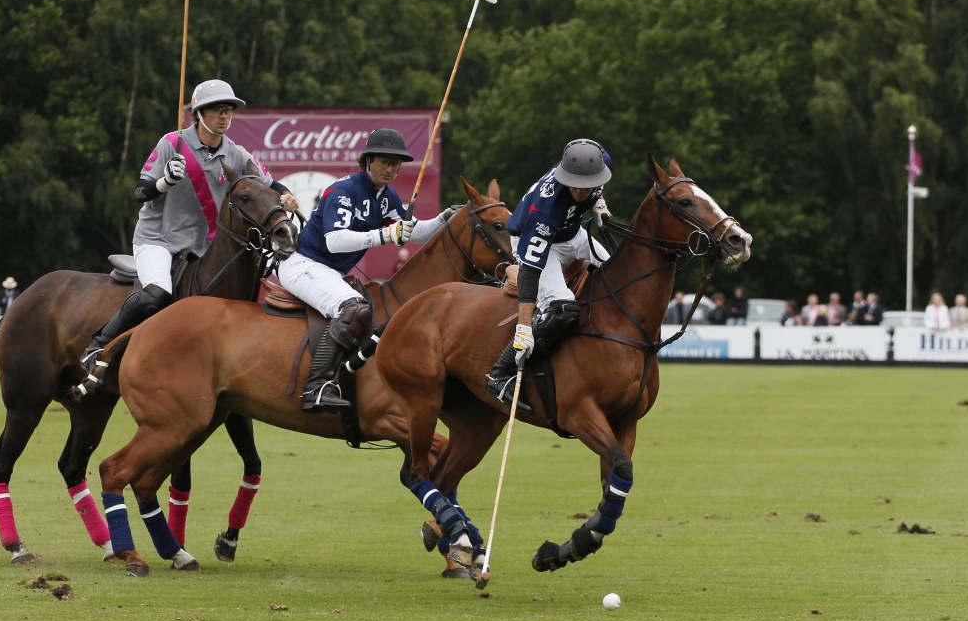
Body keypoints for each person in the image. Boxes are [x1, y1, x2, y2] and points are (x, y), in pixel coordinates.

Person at [81, 79, 297, 374]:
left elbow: (270, 185)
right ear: (198, 113)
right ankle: (99, 344)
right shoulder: (173, 144)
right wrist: (165, 181)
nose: (225, 116)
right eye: (218, 110)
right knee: (157, 292)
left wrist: (287, 197)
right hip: (159, 239)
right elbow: (140, 192)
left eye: (229, 110)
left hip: (203, 246)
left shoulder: (237, 153)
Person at [278, 128, 460, 414]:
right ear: (368, 160)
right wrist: (386, 235)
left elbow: (413, 233)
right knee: (354, 308)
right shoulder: (343, 191)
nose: (391, 169)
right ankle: (316, 388)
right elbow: (334, 241)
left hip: (328, 271)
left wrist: (444, 219)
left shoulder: (386, 196)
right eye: (385, 161)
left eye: (396, 163)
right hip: (304, 264)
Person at [486, 138, 613, 409]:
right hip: (538, 241)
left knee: (618, 279)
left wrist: (599, 204)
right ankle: (500, 374)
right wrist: (523, 327)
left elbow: (597, 187)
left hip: (572, 234)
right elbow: (530, 274)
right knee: (562, 308)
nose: (580, 192)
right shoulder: (544, 210)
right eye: (574, 185)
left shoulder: (599, 163)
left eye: (587, 186)